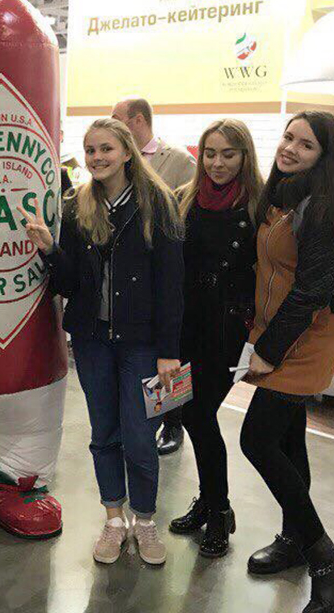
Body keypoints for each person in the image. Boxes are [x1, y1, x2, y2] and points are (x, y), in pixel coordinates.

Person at [20, 117, 184, 566]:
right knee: (104, 433)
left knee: (141, 437)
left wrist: (169, 352)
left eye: (106, 148)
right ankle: (114, 519)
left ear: (127, 151)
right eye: (90, 150)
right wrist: (50, 249)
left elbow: (171, 285)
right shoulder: (77, 206)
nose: (97, 157)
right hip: (92, 342)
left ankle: (144, 520)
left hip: (143, 345)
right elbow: (71, 283)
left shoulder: (158, 204)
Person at [239, 111, 334, 613]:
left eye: (306, 144)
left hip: (304, 340)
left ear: (324, 157)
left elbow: (312, 290)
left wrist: (267, 352)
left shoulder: (325, 205)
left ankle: (328, 559)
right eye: (288, 137)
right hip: (280, 332)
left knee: (256, 440)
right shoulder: (283, 194)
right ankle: (295, 540)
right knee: (290, 442)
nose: (290, 148)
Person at [166, 120, 263, 558]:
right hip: (185, 327)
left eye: (228, 154)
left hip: (229, 332)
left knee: (200, 414)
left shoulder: (260, 205)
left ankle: (219, 509)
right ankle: (209, 502)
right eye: (210, 153)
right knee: (189, 415)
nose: (217, 163)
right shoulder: (184, 199)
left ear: (244, 156)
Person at [111, 96, 194, 456]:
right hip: (128, 274)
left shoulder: (177, 161)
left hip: (166, 265)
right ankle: (143, 423)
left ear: (138, 121)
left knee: (171, 350)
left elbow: (188, 209)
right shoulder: (119, 158)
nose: (112, 123)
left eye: (117, 118)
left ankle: (174, 424)